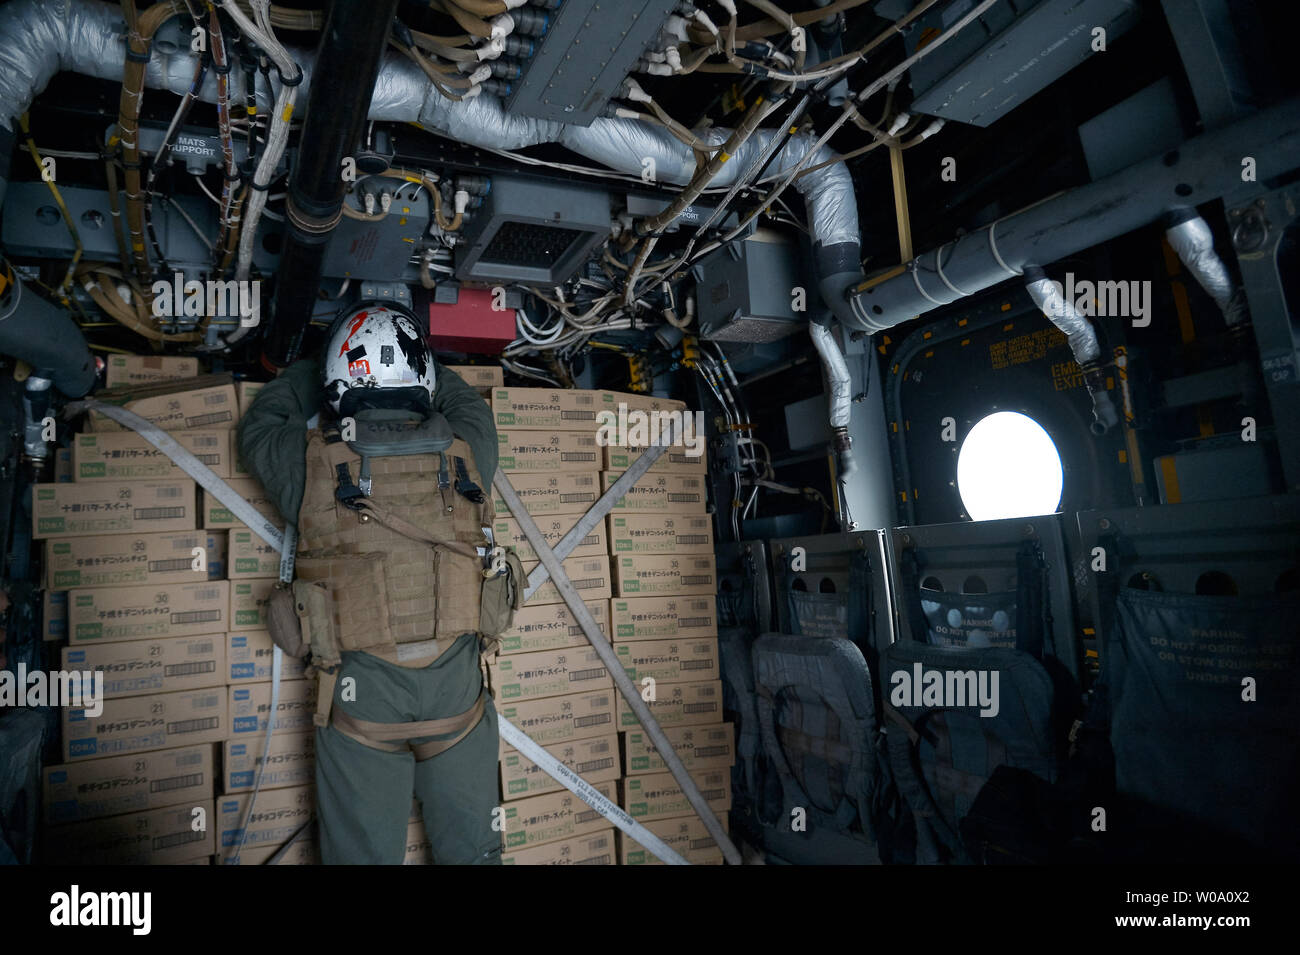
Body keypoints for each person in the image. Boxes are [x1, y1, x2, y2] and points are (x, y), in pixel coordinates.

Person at [238, 304, 504, 864]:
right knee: (476, 856)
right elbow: (460, 401)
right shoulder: (471, 451)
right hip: (459, 701)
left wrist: (320, 366)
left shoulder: (306, 465)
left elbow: (264, 422)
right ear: (424, 377)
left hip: (361, 709)